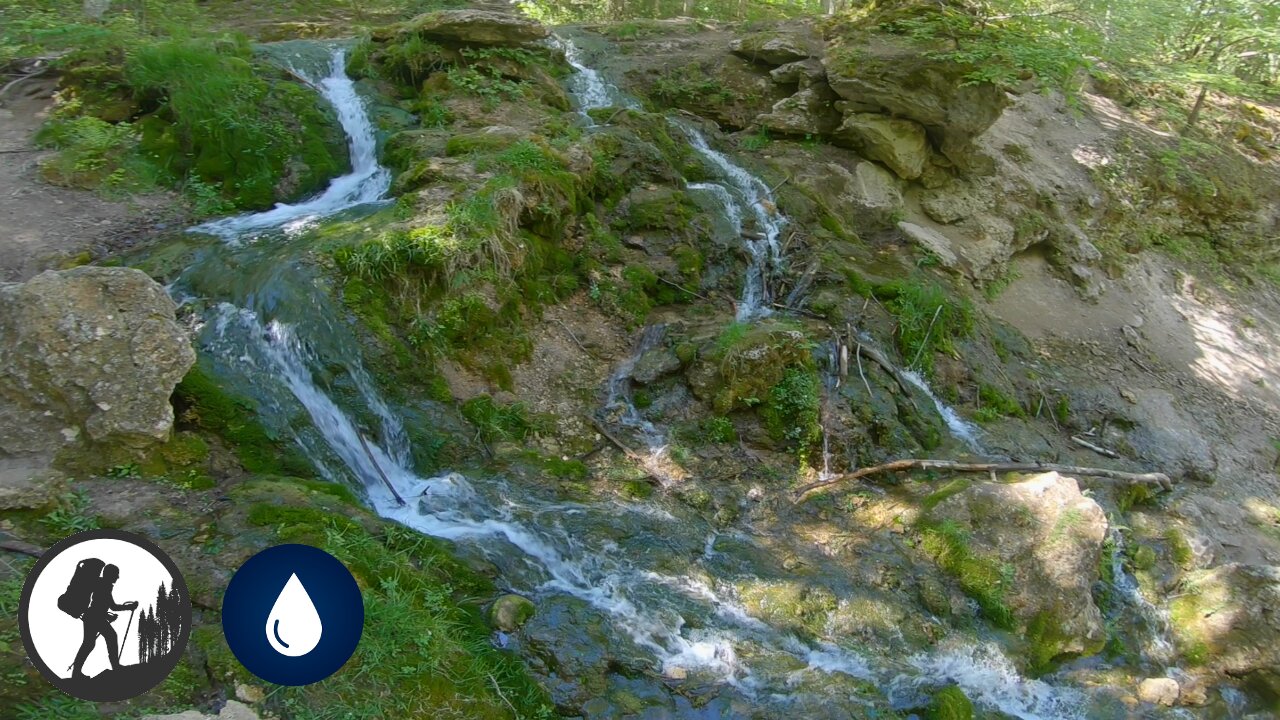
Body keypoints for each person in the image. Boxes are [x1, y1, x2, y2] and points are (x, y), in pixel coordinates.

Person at [71, 564, 137, 679]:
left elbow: (101, 605)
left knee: (89, 643)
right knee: (103, 639)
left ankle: (77, 672)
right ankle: (115, 667)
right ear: (110, 575)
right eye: (116, 574)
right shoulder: (104, 586)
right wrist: (129, 607)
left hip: (93, 617)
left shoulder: (102, 584)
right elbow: (112, 607)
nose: (118, 577)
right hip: (94, 618)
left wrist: (108, 616)